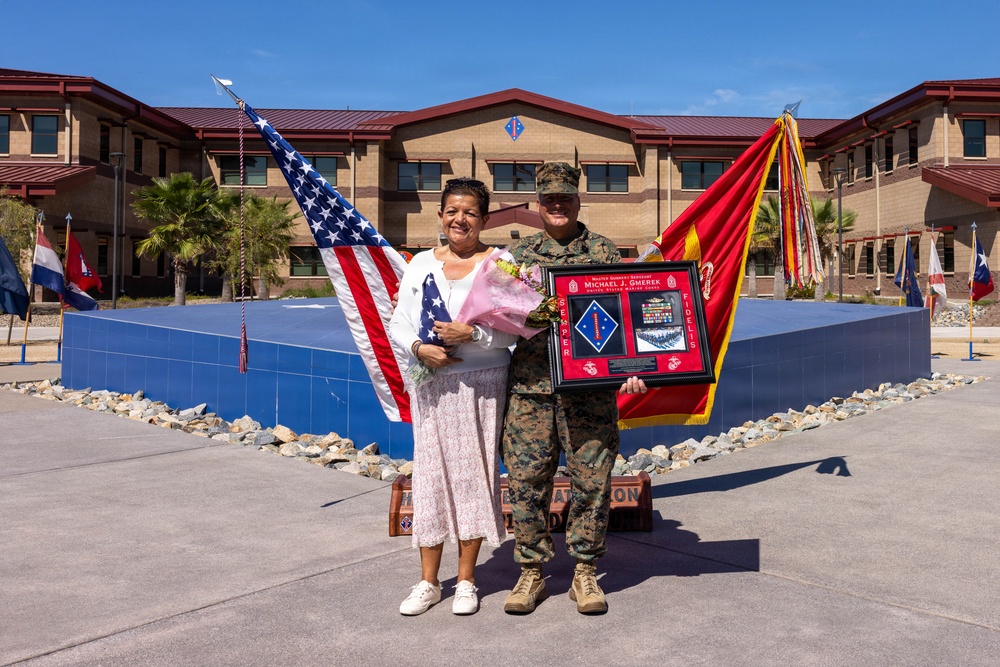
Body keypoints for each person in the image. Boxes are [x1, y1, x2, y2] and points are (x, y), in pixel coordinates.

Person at [501, 162, 647, 615]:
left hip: (590, 393)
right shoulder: (517, 256)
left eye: (566, 197)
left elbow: (625, 317)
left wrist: (635, 367)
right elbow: (499, 317)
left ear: (578, 200)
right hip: (531, 390)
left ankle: (584, 571)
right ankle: (531, 573)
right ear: (538, 204)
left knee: (592, 484)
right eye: (549, 199)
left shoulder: (603, 251)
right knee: (526, 485)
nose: (558, 205)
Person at [388, 177, 518, 616]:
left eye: (470, 213)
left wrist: (474, 332)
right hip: (430, 382)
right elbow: (400, 321)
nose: (459, 219)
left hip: (481, 383)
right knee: (431, 475)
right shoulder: (421, 262)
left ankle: (466, 580)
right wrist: (417, 348)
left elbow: (516, 327)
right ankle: (427, 582)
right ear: (441, 215)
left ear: (483, 219)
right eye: (452, 211)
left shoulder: (501, 263)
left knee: (473, 474)